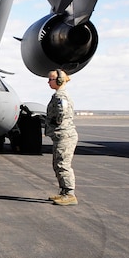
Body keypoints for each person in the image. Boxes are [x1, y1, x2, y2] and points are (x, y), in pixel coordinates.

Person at [45, 68, 78, 205]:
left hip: (64, 135)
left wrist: (55, 122)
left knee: (63, 165)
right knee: (57, 164)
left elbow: (61, 112)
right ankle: (64, 192)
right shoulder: (59, 95)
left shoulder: (61, 96)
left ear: (59, 80)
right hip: (61, 135)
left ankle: (70, 194)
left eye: (50, 79)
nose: (48, 82)